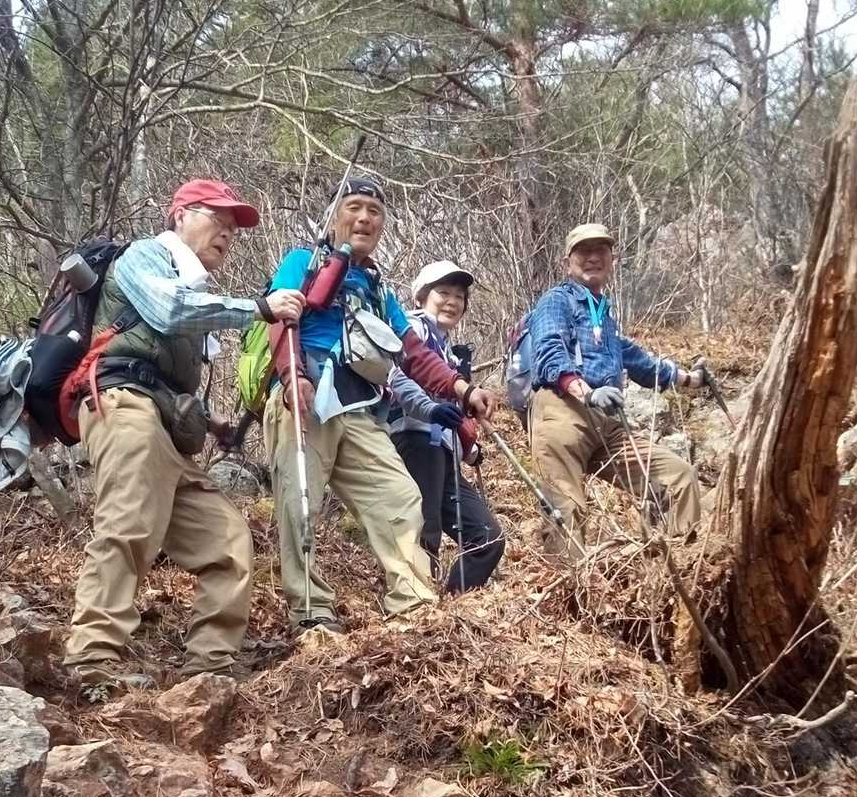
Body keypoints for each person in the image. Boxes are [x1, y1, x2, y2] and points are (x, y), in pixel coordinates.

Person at [62, 179, 305, 692]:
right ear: (179, 216)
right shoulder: (144, 256)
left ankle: (209, 667)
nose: (228, 233)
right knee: (127, 526)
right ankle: (91, 661)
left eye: (233, 227)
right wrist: (260, 308)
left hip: (165, 428)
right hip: (123, 407)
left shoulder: (193, 286)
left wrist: (213, 422)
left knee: (228, 542)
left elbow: (166, 372)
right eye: (217, 219)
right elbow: (169, 311)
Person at [263, 177, 496, 633]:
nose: (365, 218)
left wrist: (462, 389)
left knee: (401, 497)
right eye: (354, 206)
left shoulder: (377, 288)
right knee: (300, 502)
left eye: (374, 211)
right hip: (305, 399)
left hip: (358, 406)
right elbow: (282, 318)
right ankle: (312, 612)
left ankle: (414, 606)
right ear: (334, 216)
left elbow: (413, 352)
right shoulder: (302, 262)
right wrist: (293, 377)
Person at [525, 222, 705, 549]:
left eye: (601, 251)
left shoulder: (604, 317)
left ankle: (684, 566)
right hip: (563, 412)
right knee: (567, 511)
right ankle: (569, 580)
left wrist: (692, 379)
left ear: (612, 261)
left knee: (679, 477)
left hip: (607, 423)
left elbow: (641, 363)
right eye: (583, 251)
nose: (593, 257)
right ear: (567, 262)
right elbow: (549, 350)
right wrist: (587, 392)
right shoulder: (557, 300)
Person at [388, 260, 504, 593]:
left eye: (459, 296)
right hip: (414, 438)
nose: (452, 301)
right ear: (421, 297)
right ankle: (418, 604)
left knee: (487, 537)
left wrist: (468, 447)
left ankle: (452, 605)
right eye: (443, 293)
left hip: (443, 449)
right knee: (425, 531)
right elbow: (402, 373)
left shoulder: (446, 350)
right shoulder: (414, 327)